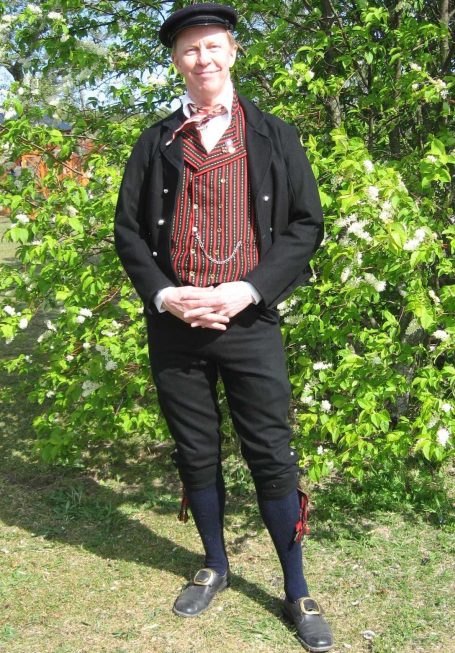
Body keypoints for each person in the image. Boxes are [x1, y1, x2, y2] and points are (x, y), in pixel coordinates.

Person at [114, 4, 333, 651]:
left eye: (212, 46)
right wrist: (165, 295)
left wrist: (248, 289)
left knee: (271, 454)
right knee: (194, 450)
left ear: (233, 52)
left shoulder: (274, 135)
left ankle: (296, 587)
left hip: (249, 320)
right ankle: (214, 562)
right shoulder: (155, 141)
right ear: (176, 61)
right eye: (189, 50)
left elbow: (306, 224)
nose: (202, 59)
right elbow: (128, 231)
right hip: (176, 326)